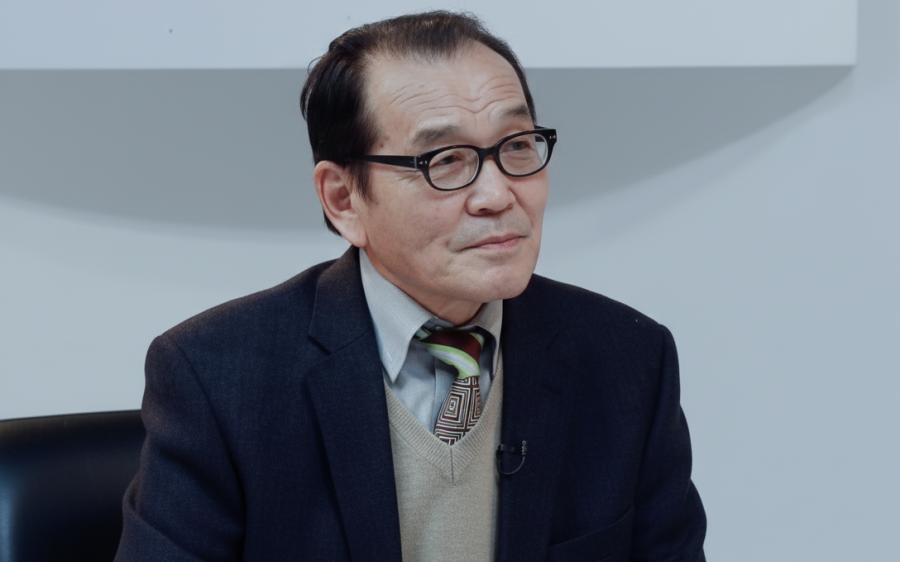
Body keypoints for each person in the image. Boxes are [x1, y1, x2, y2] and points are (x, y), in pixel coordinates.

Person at [115, 11, 706, 562]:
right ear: (343, 199)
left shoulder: (627, 359)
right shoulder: (218, 376)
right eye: (445, 160)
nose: (497, 194)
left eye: (517, 146)